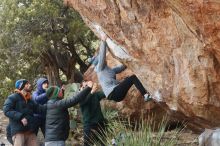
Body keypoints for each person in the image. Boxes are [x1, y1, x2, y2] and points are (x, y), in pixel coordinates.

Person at [88, 35, 152, 102]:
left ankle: (145, 95)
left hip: (116, 96)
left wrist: (127, 61)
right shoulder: (99, 69)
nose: (105, 60)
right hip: (114, 93)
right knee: (133, 78)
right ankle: (145, 95)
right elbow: (102, 56)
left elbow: (120, 68)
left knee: (128, 79)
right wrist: (103, 41)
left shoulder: (108, 70)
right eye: (103, 60)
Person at [44, 81, 94, 146]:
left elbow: (65, 100)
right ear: (56, 94)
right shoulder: (58, 104)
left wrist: (63, 90)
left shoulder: (51, 103)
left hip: (53, 140)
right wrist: (88, 88)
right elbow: (73, 100)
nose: (61, 91)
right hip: (56, 142)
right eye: (60, 91)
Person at [3, 79, 44, 146]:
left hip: (30, 132)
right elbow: (6, 110)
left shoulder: (30, 100)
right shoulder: (13, 97)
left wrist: (53, 105)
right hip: (18, 132)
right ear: (21, 86)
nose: (29, 85)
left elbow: (40, 109)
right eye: (27, 84)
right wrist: (21, 117)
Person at [80, 81, 107, 146]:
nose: (88, 87)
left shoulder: (95, 94)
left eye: (89, 85)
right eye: (86, 86)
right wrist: (92, 92)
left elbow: (106, 93)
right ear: (81, 88)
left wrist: (103, 84)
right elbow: (84, 102)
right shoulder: (80, 96)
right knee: (88, 144)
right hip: (89, 125)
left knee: (103, 143)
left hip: (100, 123)